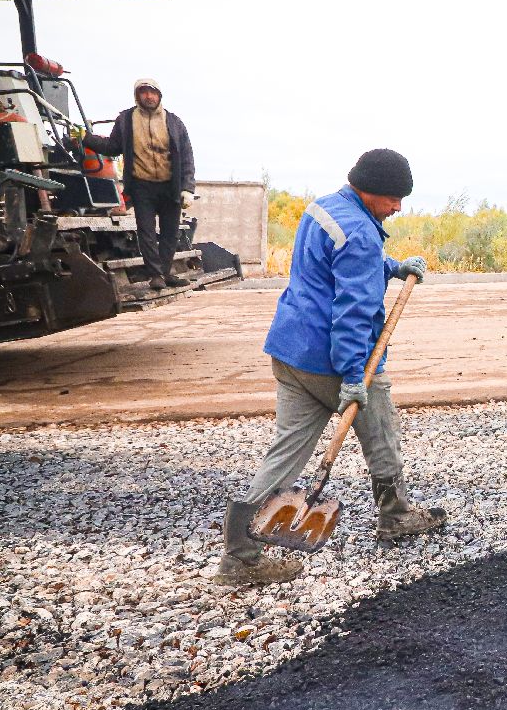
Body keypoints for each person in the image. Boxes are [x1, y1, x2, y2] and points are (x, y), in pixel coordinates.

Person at [214, 148, 440, 587]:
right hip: (333, 360)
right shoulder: (361, 233)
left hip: (291, 350)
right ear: (369, 190)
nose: (398, 207)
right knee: (381, 429)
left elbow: (334, 264)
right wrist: (354, 375)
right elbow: (354, 311)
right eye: (393, 198)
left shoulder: (324, 208)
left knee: (287, 450)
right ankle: (395, 515)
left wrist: (391, 267)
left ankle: (240, 554)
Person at [81, 78, 195, 290]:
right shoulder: (126, 120)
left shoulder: (174, 122)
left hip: (170, 185)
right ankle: (156, 275)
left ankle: (165, 272)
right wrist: (86, 138)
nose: (148, 96)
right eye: (143, 92)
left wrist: (188, 188)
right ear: (137, 96)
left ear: (159, 95)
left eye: (152, 92)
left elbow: (187, 156)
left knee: (170, 233)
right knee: (146, 232)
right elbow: (112, 147)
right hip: (142, 185)